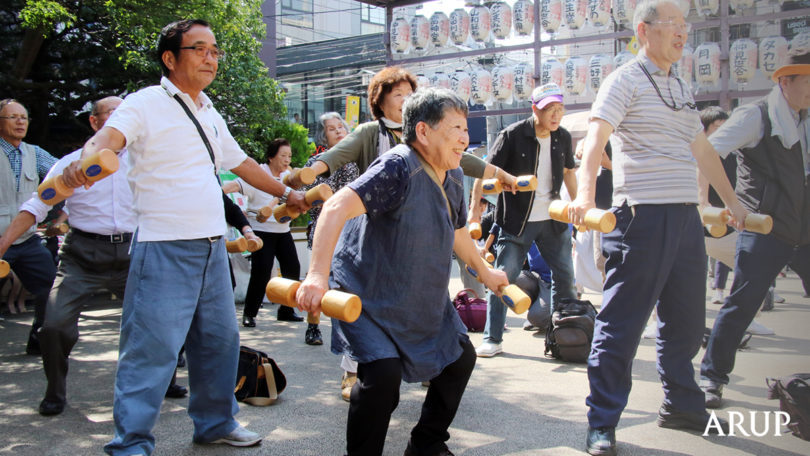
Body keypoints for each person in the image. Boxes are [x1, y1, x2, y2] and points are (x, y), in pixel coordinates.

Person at [61, 19, 311, 455]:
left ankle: (215, 423)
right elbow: (107, 139)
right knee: (151, 350)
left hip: (214, 245)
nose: (211, 58)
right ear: (170, 58)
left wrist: (290, 192)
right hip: (163, 246)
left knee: (218, 343)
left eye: (215, 51)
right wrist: (86, 159)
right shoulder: (144, 103)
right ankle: (131, 442)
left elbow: (243, 162)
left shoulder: (209, 110)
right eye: (200, 49)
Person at [569, 2, 747, 454]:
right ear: (645, 31)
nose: (683, 33)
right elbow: (595, 141)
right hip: (641, 217)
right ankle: (602, 421)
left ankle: (681, 404)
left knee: (687, 323)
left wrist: (732, 202)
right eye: (674, 25)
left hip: (685, 216)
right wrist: (586, 196)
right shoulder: (624, 79)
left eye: (686, 26)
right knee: (622, 327)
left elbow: (702, 150)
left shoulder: (680, 85)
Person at [296, 87, 508, 456]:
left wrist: (485, 273)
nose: (464, 137)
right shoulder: (397, 166)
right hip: (367, 292)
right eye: (455, 128)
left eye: (465, 128)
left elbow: (458, 232)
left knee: (460, 358)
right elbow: (334, 210)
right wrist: (316, 275)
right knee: (382, 375)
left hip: (416, 293)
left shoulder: (453, 174)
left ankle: (426, 445)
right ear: (423, 132)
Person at [699, 48, 810, 409]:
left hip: (804, 226)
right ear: (785, 81)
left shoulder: (805, 117)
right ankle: (711, 378)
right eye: (807, 82)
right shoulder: (756, 116)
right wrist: (719, 202)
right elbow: (706, 152)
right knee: (742, 304)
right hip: (763, 226)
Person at [471, 83, 578, 358]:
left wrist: (578, 205)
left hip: (553, 218)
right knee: (502, 277)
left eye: (559, 109)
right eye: (549, 110)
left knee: (565, 276)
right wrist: (475, 214)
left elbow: (568, 172)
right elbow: (483, 174)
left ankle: (564, 336)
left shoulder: (562, 136)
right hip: (517, 221)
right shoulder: (512, 135)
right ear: (535, 110)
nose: (555, 115)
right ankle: (493, 338)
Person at [0, 98, 58, 355]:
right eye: (13, 117)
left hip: (25, 239)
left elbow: (64, 174)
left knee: (51, 288)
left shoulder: (35, 154)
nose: (20, 121)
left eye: (23, 117)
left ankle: (39, 337)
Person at [223, 138, 302, 327]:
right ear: (270, 157)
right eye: (283, 155)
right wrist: (234, 208)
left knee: (292, 268)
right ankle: (250, 313)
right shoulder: (258, 174)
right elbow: (228, 188)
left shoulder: (288, 177)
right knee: (261, 272)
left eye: (289, 156)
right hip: (261, 232)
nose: (287, 159)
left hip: (283, 231)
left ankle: (286, 310)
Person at [303, 112, 358, 347]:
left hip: (354, 229)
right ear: (322, 135)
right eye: (331, 128)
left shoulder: (358, 158)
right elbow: (312, 198)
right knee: (318, 279)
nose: (338, 131)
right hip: (325, 228)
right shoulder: (316, 163)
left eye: (340, 127)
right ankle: (313, 327)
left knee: (350, 282)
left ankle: (349, 328)